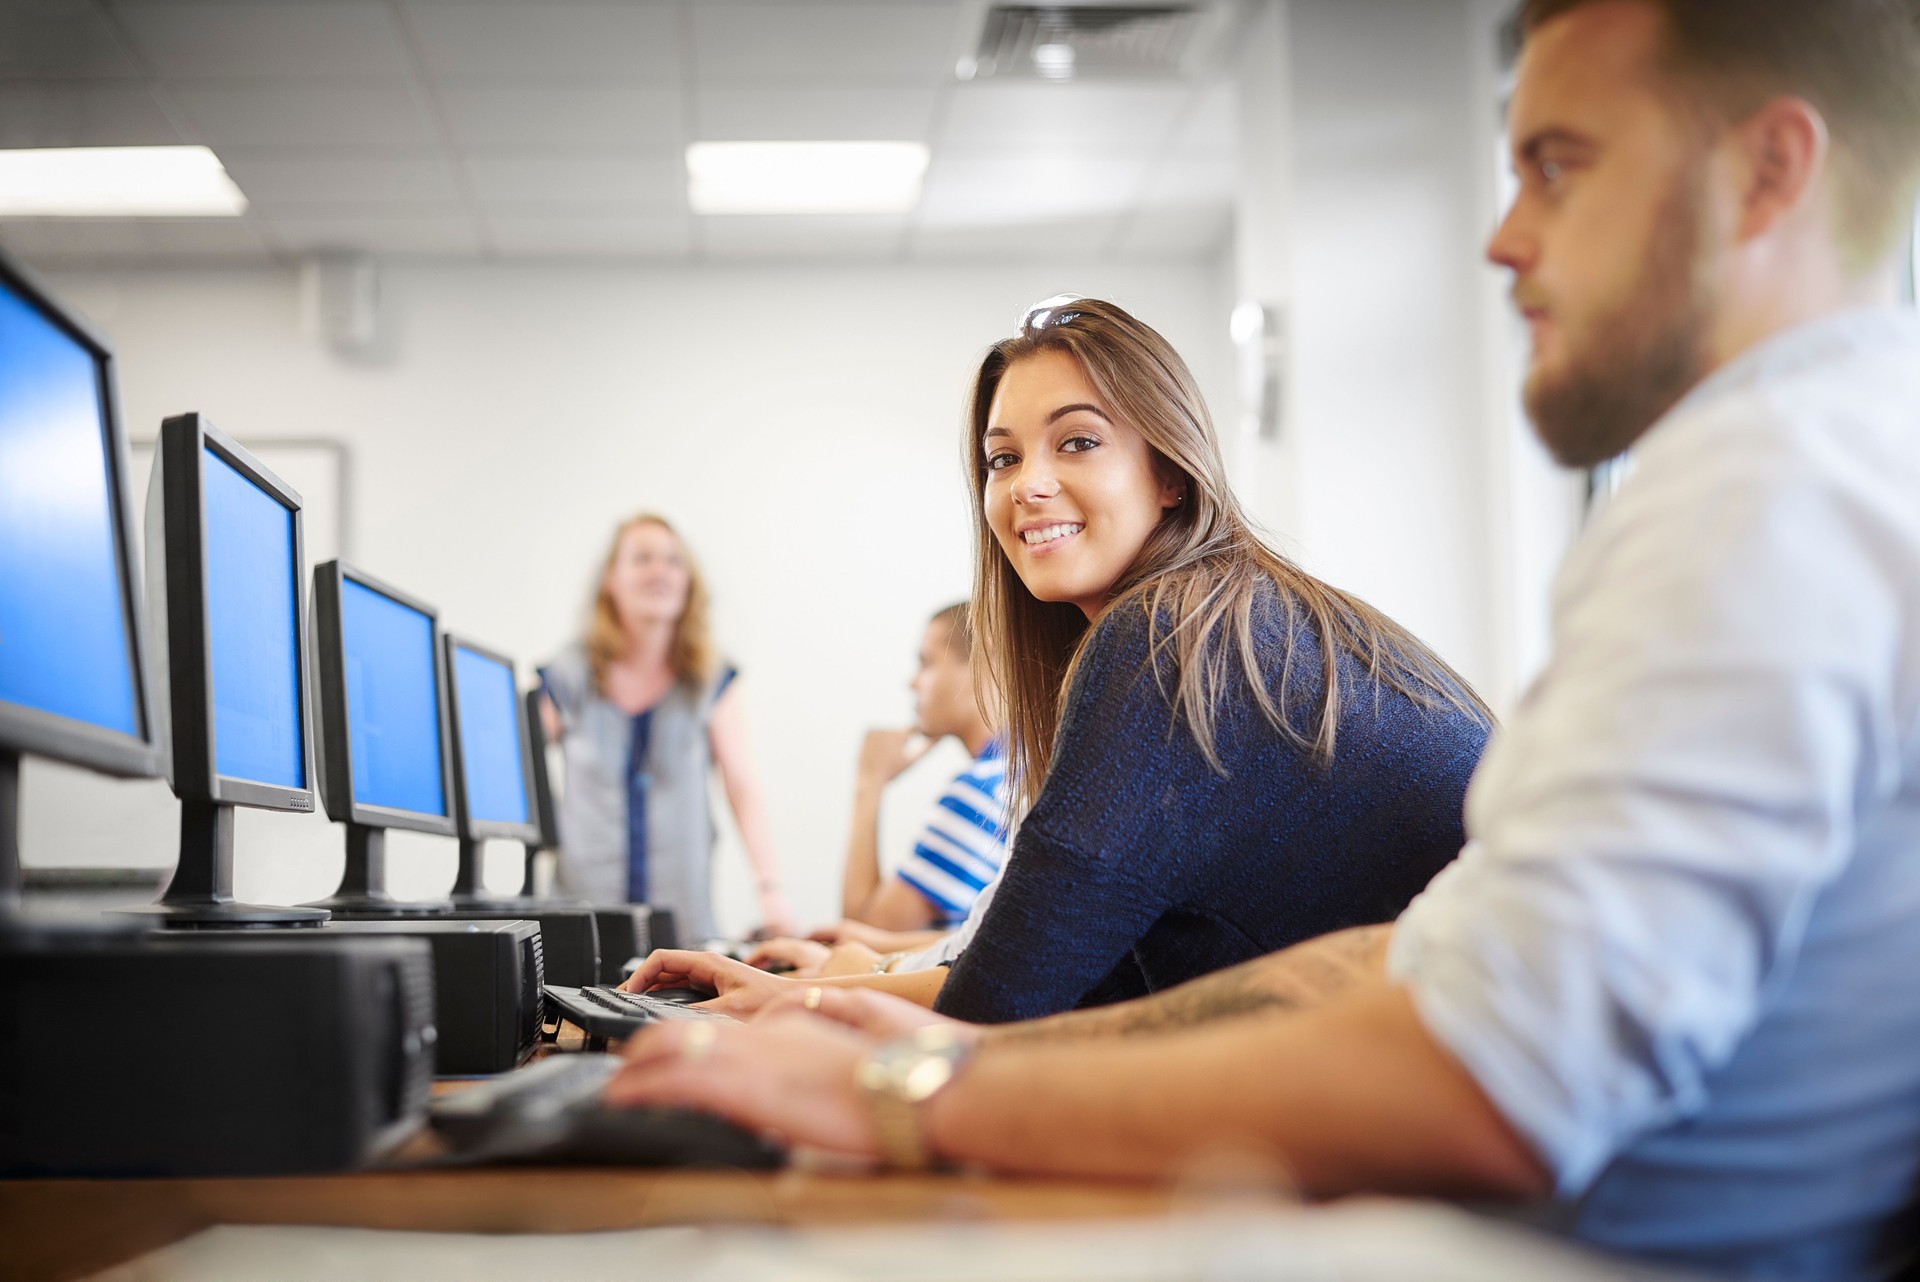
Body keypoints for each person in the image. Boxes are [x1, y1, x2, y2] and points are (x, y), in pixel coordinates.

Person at [605, 2, 1920, 1278]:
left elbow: (1486, 1079)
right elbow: (1379, 965)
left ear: (1768, 172)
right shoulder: (1812, 474)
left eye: (1557, 168)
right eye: (1006, 456)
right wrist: (904, 1031)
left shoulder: (1768, 501)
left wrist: (916, 1087)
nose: (1504, 239)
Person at [625, 298, 1493, 1023]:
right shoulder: (1225, 614)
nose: (1027, 484)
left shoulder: (1169, 639)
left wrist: (801, 1006)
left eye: (1076, 442)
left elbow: (994, 1015)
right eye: (1003, 458)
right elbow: (1065, 977)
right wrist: (809, 997)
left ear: (1171, 473)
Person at [540, 513, 793, 940]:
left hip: (683, 927)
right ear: (610, 580)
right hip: (579, 924)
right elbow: (513, 766)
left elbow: (742, 786)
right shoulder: (569, 672)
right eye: (642, 559)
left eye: (675, 561)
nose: (661, 571)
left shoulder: (711, 678)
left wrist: (770, 892)